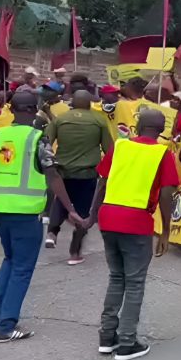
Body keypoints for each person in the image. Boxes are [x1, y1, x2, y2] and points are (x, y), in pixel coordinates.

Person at [0, 92, 86, 342]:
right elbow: (53, 175)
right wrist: (70, 208)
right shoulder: (37, 138)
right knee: (22, 269)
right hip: (25, 212)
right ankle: (5, 327)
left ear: (12, 109)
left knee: (10, 259)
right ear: (34, 109)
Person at [87, 109, 179, 360]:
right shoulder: (162, 153)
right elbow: (167, 193)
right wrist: (166, 231)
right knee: (135, 282)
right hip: (136, 219)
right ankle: (127, 342)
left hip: (109, 215)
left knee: (116, 277)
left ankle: (107, 337)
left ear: (137, 126)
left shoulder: (120, 146)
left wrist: (92, 215)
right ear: (162, 131)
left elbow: (102, 181)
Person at [45, 90, 113, 264]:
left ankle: (52, 233)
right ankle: (74, 253)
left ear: (72, 103)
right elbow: (109, 149)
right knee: (83, 213)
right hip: (87, 173)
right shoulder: (99, 120)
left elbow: (46, 142)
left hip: (63, 170)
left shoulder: (60, 119)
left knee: (61, 200)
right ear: (89, 104)